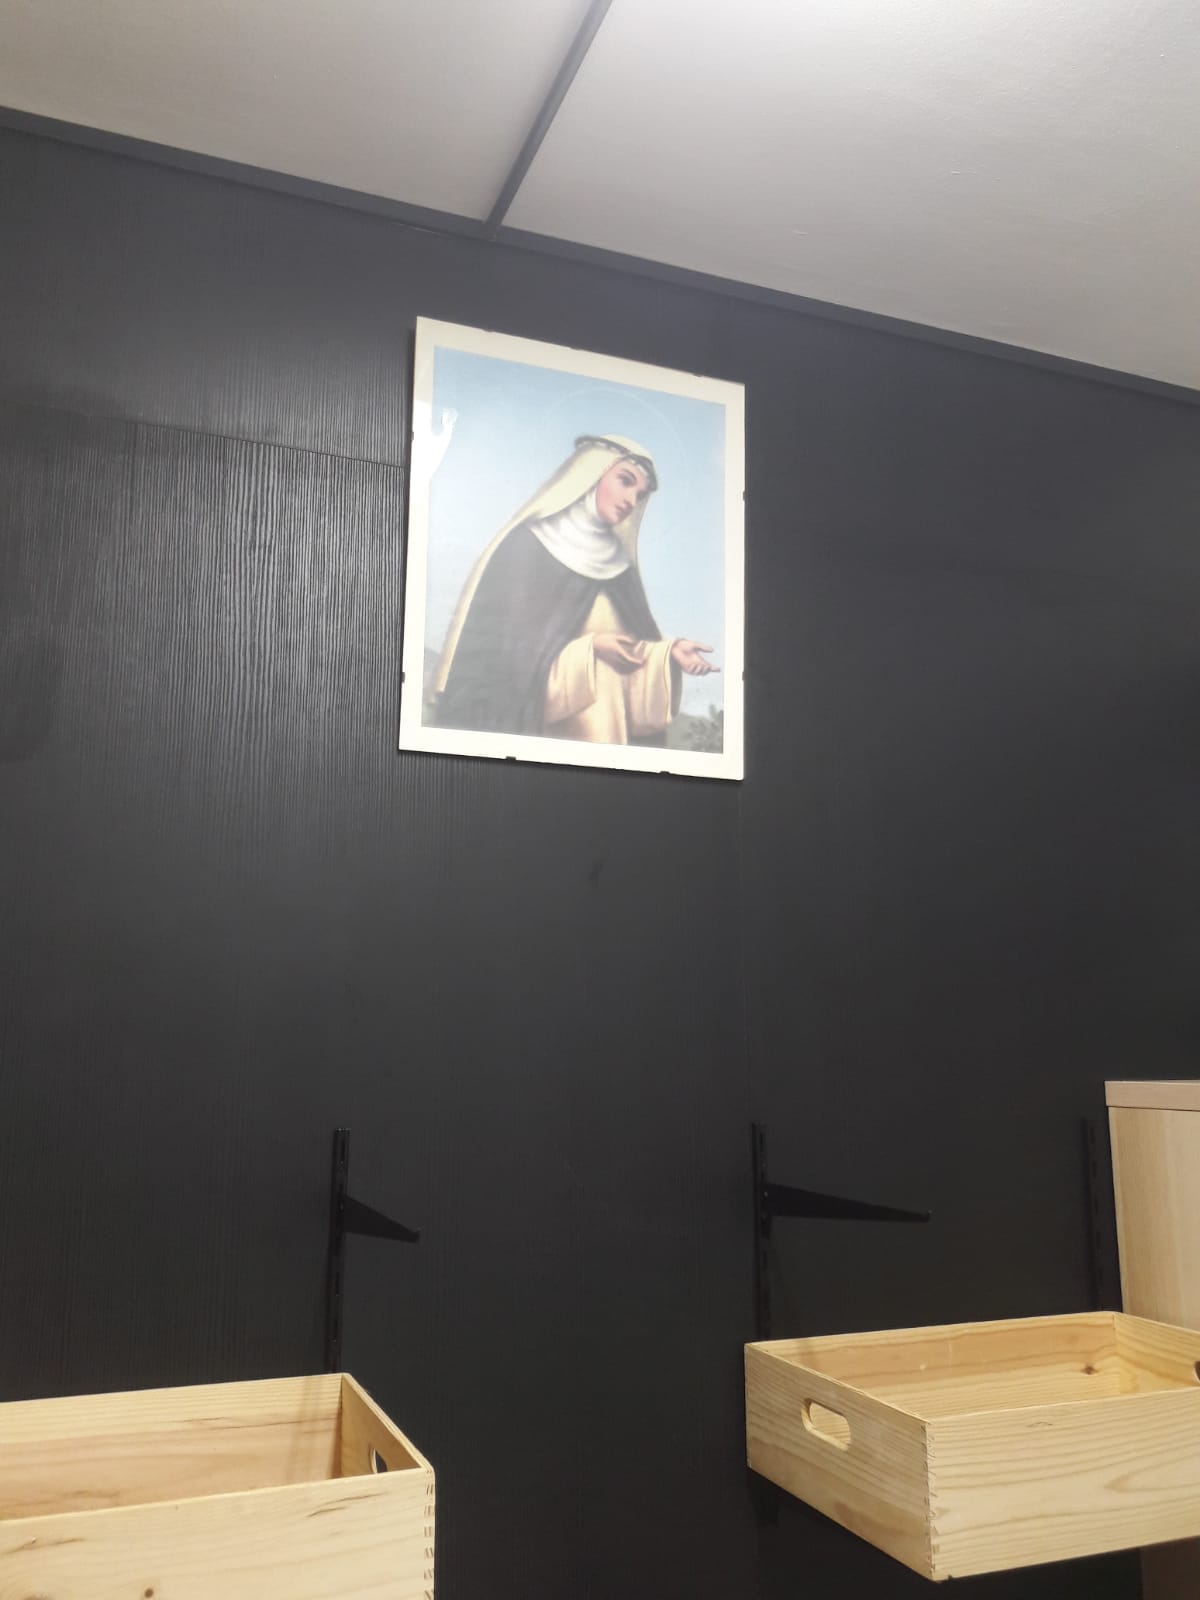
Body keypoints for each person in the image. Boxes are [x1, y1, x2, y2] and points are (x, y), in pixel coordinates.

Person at [432, 434, 717, 745]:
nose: (631, 501)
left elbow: (631, 643)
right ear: (591, 472)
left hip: (607, 729)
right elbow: (503, 660)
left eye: (640, 494)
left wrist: (669, 651)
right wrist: (592, 649)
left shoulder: (619, 566)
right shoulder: (527, 546)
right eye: (625, 481)